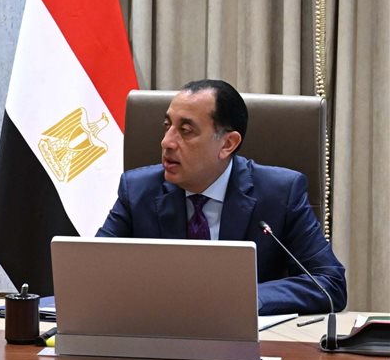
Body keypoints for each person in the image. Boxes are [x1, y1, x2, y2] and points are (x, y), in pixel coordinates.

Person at [97, 79, 346, 315]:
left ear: (227, 144)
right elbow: (92, 272)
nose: (167, 142)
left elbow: (329, 282)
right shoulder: (138, 190)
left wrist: (243, 298)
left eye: (185, 130)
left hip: (248, 339)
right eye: (167, 126)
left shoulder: (280, 193)